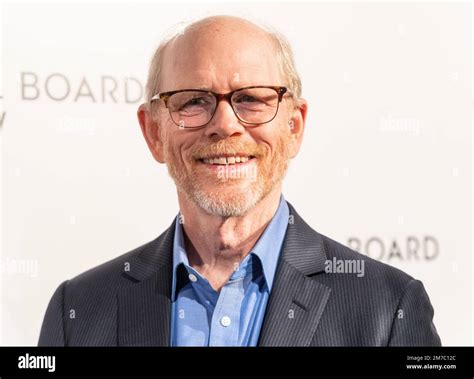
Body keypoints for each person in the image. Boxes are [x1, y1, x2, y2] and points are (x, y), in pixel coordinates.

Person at [38, 15, 441, 346]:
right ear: (154, 133)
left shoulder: (389, 310)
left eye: (251, 98)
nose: (225, 124)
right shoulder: (79, 311)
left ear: (294, 127)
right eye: (194, 100)